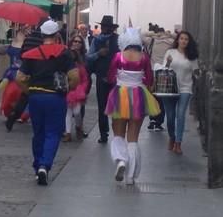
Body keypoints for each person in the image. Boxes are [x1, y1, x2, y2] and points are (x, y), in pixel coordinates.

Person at [18, 20, 78, 186]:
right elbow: (74, 77)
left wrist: (28, 91)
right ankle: (45, 165)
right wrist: (68, 88)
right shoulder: (64, 53)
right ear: (57, 35)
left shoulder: (31, 54)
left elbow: (20, 78)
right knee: (53, 133)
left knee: (38, 133)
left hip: (36, 97)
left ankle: (37, 166)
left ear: (42, 36)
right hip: (55, 97)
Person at [105, 28, 160, 185]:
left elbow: (110, 76)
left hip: (119, 95)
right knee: (133, 137)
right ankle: (131, 176)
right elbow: (149, 79)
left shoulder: (118, 56)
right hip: (139, 95)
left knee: (118, 133)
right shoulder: (143, 57)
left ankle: (121, 160)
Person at [4, 18, 49, 131]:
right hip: (40, 72)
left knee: (24, 97)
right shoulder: (45, 40)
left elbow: (22, 54)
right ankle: (39, 121)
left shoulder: (28, 38)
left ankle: (13, 117)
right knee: (40, 97)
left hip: (27, 70)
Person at [162, 30, 199, 155]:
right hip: (170, 88)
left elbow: (196, 72)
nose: (183, 41)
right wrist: (168, 62)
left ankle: (178, 143)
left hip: (185, 88)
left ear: (189, 42)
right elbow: (163, 70)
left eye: (186, 39)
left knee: (181, 115)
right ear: (177, 40)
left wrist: (199, 73)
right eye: (181, 38)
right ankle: (172, 137)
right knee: (170, 117)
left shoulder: (192, 56)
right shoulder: (170, 52)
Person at [86, 15, 120, 143]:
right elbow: (88, 57)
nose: (105, 29)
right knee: (102, 107)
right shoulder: (96, 40)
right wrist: (98, 54)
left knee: (117, 107)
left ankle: (117, 132)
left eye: (107, 27)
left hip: (116, 79)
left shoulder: (118, 40)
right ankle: (103, 133)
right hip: (101, 77)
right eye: (103, 26)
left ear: (111, 28)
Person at [143, 28, 174, 131]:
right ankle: (159, 121)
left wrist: (151, 33)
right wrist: (168, 35)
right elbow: (177, 38)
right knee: (162, 98)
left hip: (152, 71)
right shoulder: (170, 42)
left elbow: (140, 35)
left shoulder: (151, 40)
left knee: (153, 97)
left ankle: (152, 119)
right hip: (164, 72)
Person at [63, 34, 90, 142]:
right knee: (68, 111)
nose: (77, 43)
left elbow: (85, 77)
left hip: (79, 89)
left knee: (77, 111)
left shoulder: (82, 59)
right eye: (75, 41)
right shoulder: (65, 54)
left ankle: (78, 126)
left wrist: (84, 88)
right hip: (68, 88)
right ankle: (68, 132)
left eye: (79, 42)